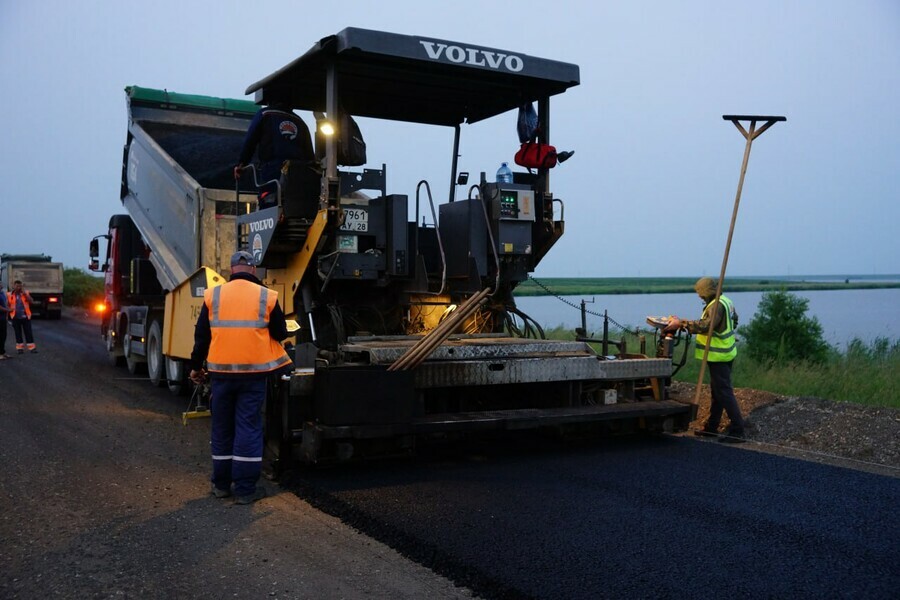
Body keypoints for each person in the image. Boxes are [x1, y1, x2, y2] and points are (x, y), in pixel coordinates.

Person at [189, 251, 293, 504]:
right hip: (253, 375)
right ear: (254, 270)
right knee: (248, 427)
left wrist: (195, 367)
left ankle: (221, 485)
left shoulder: (214, 295)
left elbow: (202, 336)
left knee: (223, 428)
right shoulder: (267, 296)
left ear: (231, 269)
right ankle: (246, 490)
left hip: (221, 375)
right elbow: (279, 332)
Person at [664, 277, 746, 443]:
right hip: (725, 352)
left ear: (707, 291)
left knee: (723, 392)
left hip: (719, 355)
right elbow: (734, 320)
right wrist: (682, 323)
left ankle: (738, 430)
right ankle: (711, 428)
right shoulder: (726, 301)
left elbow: (706, 325)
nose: (700, 297)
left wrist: (681, 324)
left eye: (701, 293)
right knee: (717, 392)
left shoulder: (716, 305)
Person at [234, 101, 315, 209]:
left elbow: (250, 141)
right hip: (297, 175)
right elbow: (309, 155)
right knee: (294, 206)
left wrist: (241, 163)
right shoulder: (300, 121)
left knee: (269, 203)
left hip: (272, 170)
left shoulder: (265, 114)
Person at [8, 280, 37, 354]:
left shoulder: (25, 293)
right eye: (17, 286)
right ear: (14, 286)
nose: (19, 287)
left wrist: (25, 295)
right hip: (15, 317)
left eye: (20, 286)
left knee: (28, 333)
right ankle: (20, 348)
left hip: (25, 317)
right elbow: (7, 304)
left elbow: (31, 301)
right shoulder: (9, 294)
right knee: (18, 333)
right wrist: (8, 310)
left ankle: (32, 348)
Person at [0, 290, 9, 359]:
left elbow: (5, 303)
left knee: (3, 335)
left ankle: (2, 352)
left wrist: (6, 315)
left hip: (3, 318)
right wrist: (8, 310)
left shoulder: (2, 293)